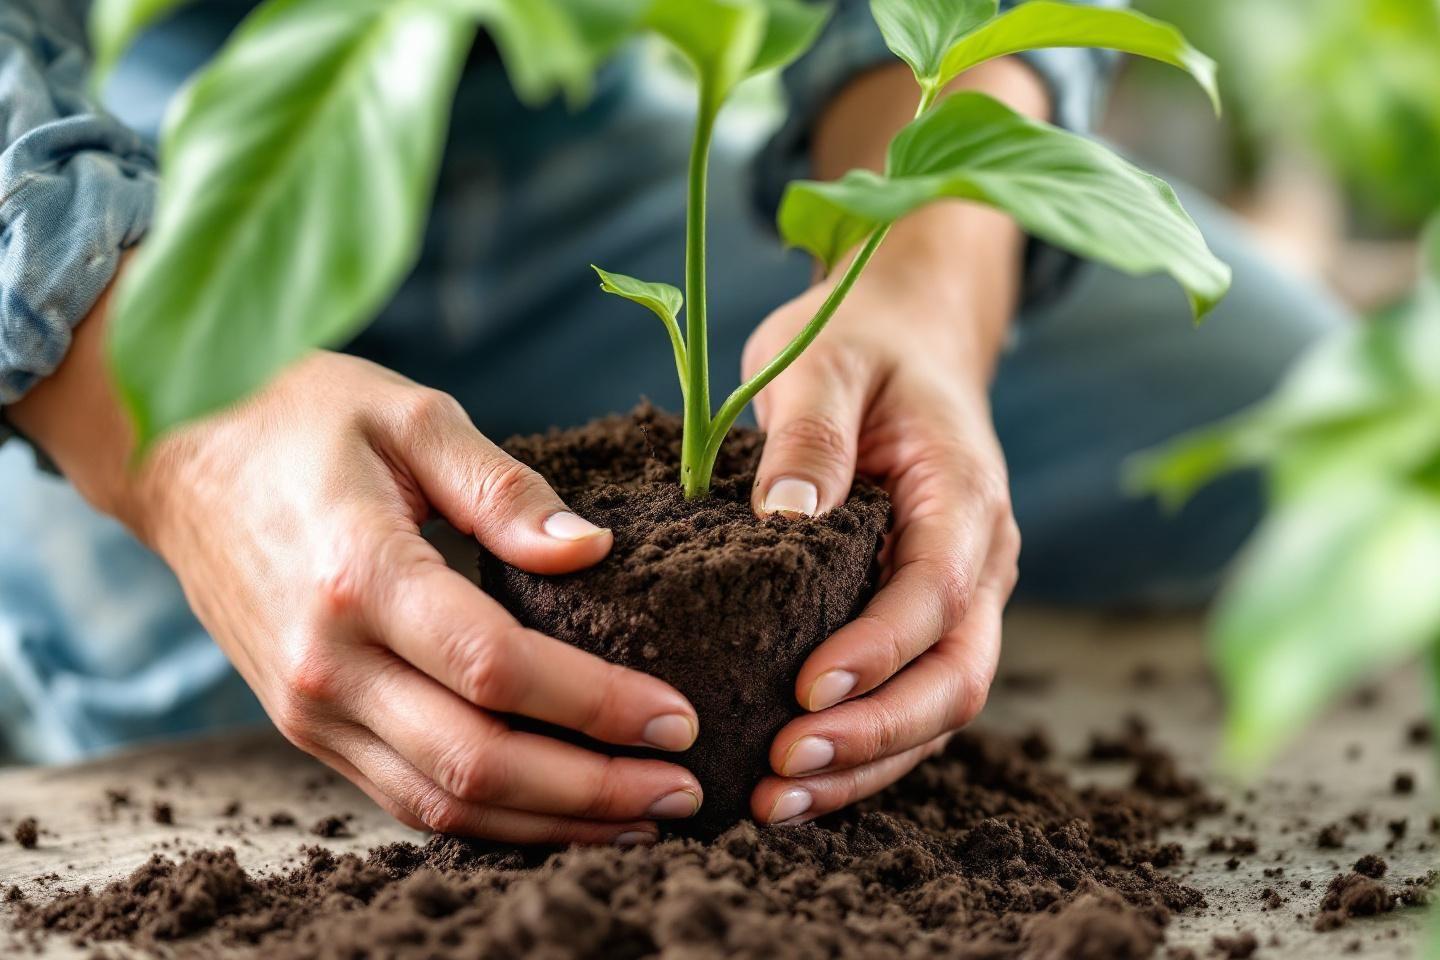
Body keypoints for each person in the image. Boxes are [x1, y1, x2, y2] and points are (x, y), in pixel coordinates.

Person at [0, 0, 1347, 843]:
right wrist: (180, 450)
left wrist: (927, 289)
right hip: (144, 201)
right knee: (245, 754)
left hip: (579, 144)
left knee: (1312, 422)